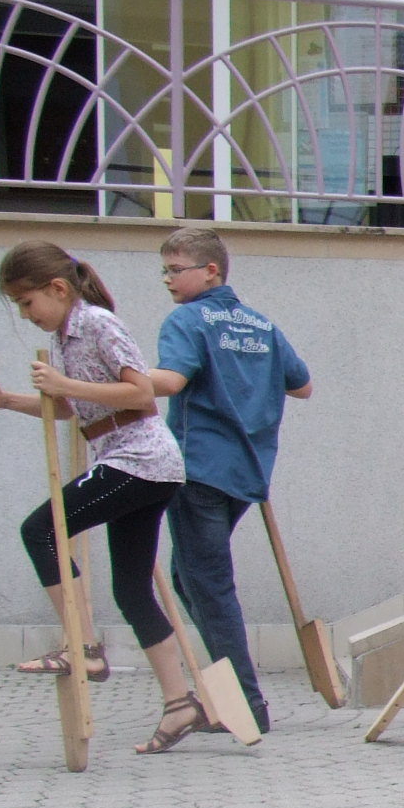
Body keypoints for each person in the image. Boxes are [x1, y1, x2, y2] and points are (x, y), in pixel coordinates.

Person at [0, 242, 207, 754]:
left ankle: (84, 645)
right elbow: (68, 410)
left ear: (57, 289)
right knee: (132, 591)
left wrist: (65, 383)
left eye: (27, 302)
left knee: (41, 529)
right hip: (131, 462)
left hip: (140, 461)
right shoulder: (63, 337)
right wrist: (5, 400)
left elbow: (140, 393)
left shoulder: (98, 323)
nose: (25, 314)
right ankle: (181, 703)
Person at [146, 226, 310, 733]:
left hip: (198, 468)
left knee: (209, 584)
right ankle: (226, 689)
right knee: (187, 577)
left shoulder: (186, 320)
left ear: (210, 270)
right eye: (165, 270)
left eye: (176, 269)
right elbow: (302, 385)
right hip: (247, 471)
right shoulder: (261, 324)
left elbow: (171, 381)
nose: (167, 279)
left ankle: (244, 704)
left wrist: (113, 378)